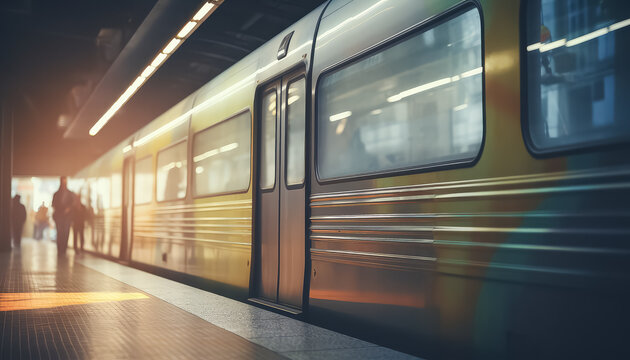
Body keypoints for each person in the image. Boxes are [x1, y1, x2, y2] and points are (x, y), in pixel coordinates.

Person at [52, 176, 75, 256]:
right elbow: (53, 205)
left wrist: (68, 209)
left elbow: (73, 204)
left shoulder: (70, 194)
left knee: (66, 232)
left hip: (67, 217)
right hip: (59, 217)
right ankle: (60, 249)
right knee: (60, 232)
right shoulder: (56, 194)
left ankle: (64, 249)